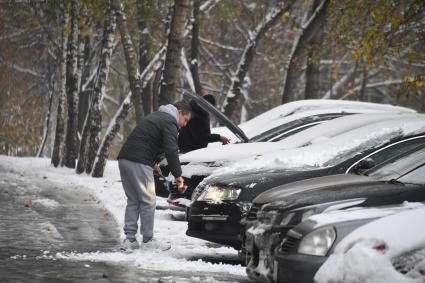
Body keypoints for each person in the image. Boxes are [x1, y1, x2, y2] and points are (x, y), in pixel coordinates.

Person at [117, 102, 192, 251]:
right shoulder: (170, 121)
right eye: (185, 120)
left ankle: (130, 240)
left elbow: (146, 141)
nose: (184, 125)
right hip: (139, 161)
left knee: (133, 200)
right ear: (179, 112)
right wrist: (178, 176)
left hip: (124, 159)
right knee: (149, 201)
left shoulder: (156, 116)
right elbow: (171, 150)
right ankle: (148, 240)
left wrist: (152, 163)